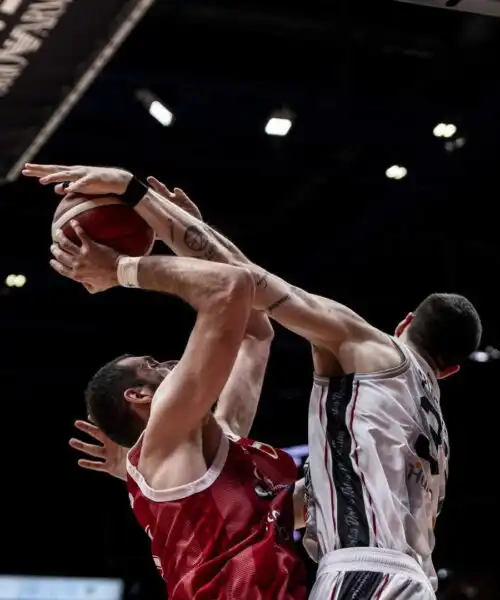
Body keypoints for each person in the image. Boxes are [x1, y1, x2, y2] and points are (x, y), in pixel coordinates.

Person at [26, 163, 482, 599]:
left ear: (404, 322)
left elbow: (247, 299)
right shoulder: (425, 409)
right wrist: (166, 227)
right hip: (401, 576)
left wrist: (152, 229)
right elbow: (246, 306)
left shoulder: (359, 357)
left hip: (365, 573)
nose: (169, 360)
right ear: (449, 369)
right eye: (152, 363)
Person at [47, 222, 307, 600]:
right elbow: (229, 288)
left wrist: (187, 232)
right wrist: (122, 266)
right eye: (152, 365)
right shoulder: (167, 435)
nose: (170, 363)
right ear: (138, 396)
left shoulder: (217, 443)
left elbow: (256, 332)